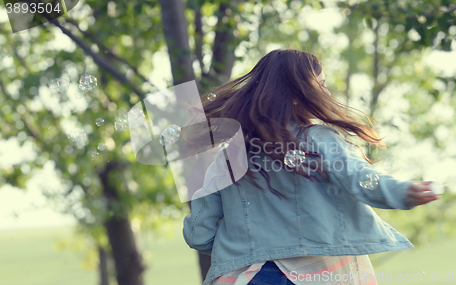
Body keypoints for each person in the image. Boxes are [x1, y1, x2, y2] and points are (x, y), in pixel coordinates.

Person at [183, 49, 440, 285]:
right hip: (315, 275)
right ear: (298, 94)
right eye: (322, 85)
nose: (327, 94)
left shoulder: (229, 155)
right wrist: (403, 192)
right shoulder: (318, 140)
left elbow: (199, 236)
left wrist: (245, 242)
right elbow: (361, 179)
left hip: (245, 277)